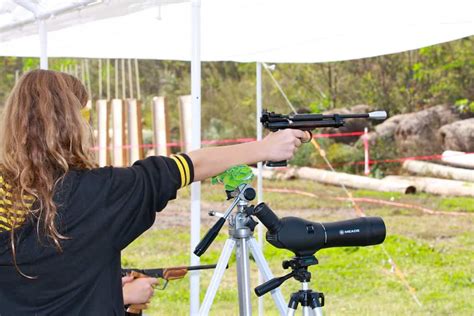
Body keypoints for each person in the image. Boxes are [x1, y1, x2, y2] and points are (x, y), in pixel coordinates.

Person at [0, 69, 309, 315]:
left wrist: (110, 291)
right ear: (70, 125)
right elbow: (189, 165)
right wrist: (264, 147)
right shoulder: (102, 192)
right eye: (84, 116)